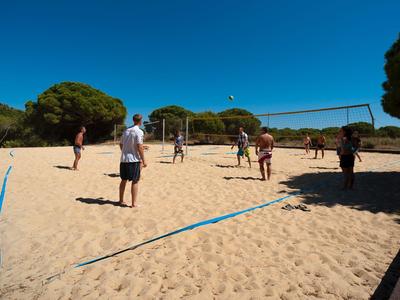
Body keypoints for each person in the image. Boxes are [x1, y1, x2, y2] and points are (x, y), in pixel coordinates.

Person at [119, 114, 147, 208]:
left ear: (133, 120)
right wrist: (143, 160)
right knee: (135, 181)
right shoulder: (139, 131)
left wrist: (125, 151)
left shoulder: (126, 130)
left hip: (124, 159)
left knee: (123, 180)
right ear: (140, 121)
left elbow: (121, 144)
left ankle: (121, 200)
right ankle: (134, 203)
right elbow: (139, 146)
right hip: (133, 160)